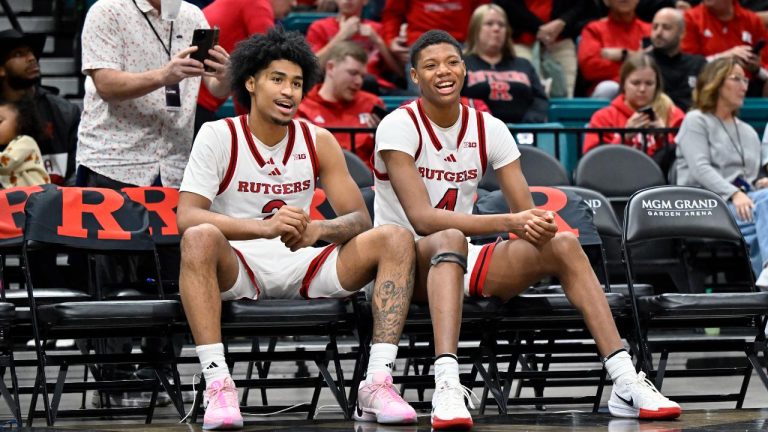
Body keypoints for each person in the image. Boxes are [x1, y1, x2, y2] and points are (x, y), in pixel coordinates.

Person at [373, 29, 682, 430]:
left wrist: (539, 226)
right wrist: (510, 222)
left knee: (565, 245)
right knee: (446, 236)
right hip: (403, 269)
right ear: (414, 76)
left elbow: (525, 214)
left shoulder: (489, 128)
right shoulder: (398, 125)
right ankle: (447, 384)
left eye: (451, 62)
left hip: (460, 258)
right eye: (430, 66)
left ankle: (624, 378)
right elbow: (423, 219)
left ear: (465, 69)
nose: (443, 72)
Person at [177, 28, 417, 430]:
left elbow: (359, 219)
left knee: (394, 236)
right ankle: (218, 384)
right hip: (239, 265)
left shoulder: (318, 140)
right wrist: (262, 228)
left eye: (297, 83)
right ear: (250, 82)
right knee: (198, 237)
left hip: (305, 263)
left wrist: (317, 230)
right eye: (277, 79)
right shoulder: (218, 135)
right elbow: (188, 216)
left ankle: (377, 381)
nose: (289, 91)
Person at [77, 0, 231, 407]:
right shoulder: (106, 11)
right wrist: (165, 74)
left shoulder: (194, 16)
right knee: (112, 280)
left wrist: (225, 74)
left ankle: (158, 371)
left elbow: (214, 91)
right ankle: (110, 382)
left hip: (177, 166)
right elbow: (106, 84)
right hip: (114, 160)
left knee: (178, 273)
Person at [675, 57, 768, 286]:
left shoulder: (746, 130)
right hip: (702, 204)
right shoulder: (695, 120)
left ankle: (763, 286)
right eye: (736, 78)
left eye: (746, 80)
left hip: (742, 205)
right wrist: (734, 193)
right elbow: (700, 169)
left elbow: (749, 176)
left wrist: (759, 183)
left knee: (764, 206)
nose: (744, 86)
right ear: (714, 82)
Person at [0, 29, 80, 185]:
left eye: (31, 53)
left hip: (56, 203)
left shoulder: (65, 112)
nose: (31, 58)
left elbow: (77, 172)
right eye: (18, 54)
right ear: (1, 69)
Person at [583, 54, 685, 168]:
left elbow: (685, 157)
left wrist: (664, 135)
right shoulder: (604, 117)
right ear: (623, 84)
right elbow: (592, 162)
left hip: (662, 181)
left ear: (657, 86)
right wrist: (624, 137)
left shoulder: (672, 113)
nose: (642, 89)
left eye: (649, 83)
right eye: (636, 83)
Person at [194, 0, 277, 135]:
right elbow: (271, 59)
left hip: (196, 98)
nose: (294, 5)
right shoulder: (256, 3)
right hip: (196, 105)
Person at [297, 41, 385, 167]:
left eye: (362, 76)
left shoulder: (372, 105)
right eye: (353, 73)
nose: (359, 81)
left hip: (367, 183)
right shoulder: (302, 106)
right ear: (331, 67)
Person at [461, 4, 548, 124]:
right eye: (489, 24)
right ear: (475, 30)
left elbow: (540, 100)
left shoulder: (523, 64)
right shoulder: (462, 64)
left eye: (501, 25)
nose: (496, 29)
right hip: (477, 131)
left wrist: (530, 122)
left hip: (524, 131)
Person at [495, 0, 598, 97]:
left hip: (560, 40)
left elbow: (583, 4)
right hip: (522, 40)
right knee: (526, 91)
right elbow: (506, 4)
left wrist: (563, 21)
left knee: (565, 94)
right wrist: (539, 28)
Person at [306, 0, 401, 91]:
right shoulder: (319, 27)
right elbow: (310, 68)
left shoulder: (377, 29)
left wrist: (378, 41)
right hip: (335, 87)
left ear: (365, 1)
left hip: (375, 87)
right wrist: (341, 36)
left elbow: (400, 72)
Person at [681, 0, 768, 96]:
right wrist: (724, 57)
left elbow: (765, 71)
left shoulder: (752, 20)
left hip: (748, 89)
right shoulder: (690, 18)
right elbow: (687, 66)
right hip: (707, 89)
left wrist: (756, 69)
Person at [578, 0, 651, 98]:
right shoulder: (594, 29)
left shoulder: (650, 30)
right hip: (610, 88)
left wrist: (623, 55)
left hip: (645, 86)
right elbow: (589, 68)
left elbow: (659, 65)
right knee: (607, 88)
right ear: (606, 1)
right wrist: (637, 58)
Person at [649, 7, 706, 111]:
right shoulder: (644, 63)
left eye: (666, 27)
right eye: (655, 27)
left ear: (682, 33)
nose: (658, 32)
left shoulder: (698, 64)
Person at [0, 95, 49, 188]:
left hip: (37, 198)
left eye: (0, 121)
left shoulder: (26, 141)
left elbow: (6, 163)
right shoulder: (12, 146)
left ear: (21, 121)